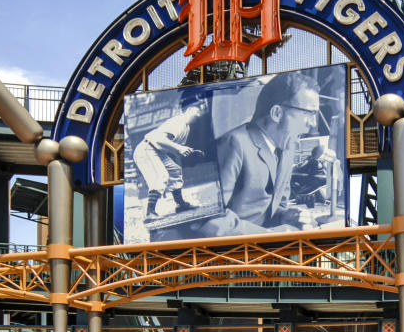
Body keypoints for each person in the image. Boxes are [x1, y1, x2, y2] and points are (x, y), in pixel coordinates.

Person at [200, 72, 322, 236]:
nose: (313, 124)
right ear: (277, 113)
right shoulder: (233, 144)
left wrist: (285, 216)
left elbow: (274, 206)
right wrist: (267, 236)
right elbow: (208, 218)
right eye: (308, 113)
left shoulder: (286, 148)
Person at [133, 92, 208, 220]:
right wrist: (180, 148)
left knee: (175, 171)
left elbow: (170, 146)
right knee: (161, 176)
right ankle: (150, 213)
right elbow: (158, 138)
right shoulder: (178, 121)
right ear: (189, 109)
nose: (199, 111)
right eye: (197, 108)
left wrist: (189, 150)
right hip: (147, 148)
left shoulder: (186, 127)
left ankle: (180, 204)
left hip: (156, 150)